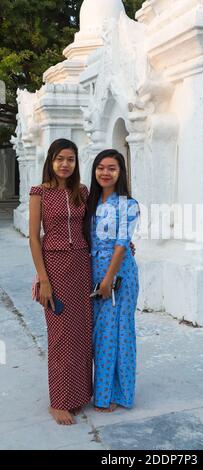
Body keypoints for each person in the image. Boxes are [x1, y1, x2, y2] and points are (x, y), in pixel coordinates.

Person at [29, 138, 93, 425]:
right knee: (59, 336)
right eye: (59, 159)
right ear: (50, 162)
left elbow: (91, 228)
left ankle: (77, 395)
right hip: (55, 267)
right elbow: (33, 237)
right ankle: (59, 401)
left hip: (82, 264)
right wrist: (43, 278)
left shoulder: (81, 191)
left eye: (70, 159)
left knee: (81, 334)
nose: (65, 164)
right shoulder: (39, 193)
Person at [84, 149, 140, 412]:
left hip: (119, 277)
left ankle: (117, 395)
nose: (105, 172)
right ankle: (103, 391)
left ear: (120, 173)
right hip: (93, 273)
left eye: (112, 168)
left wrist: (108, 280)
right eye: (101, 167)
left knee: (118, 332)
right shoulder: (89, 203)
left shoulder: (128, 205)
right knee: (100, 334)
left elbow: (120, 245)